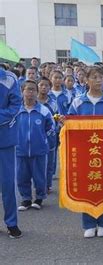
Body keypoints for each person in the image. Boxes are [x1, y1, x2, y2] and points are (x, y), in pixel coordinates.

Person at [68, 66, 103, 238]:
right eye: (95, 77)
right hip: (85, 152)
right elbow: (70, 123)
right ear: (86, 80)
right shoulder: (77, 102)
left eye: (101, 77)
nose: (99, 80)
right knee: (87, 185)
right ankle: (89, 223)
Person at [16, 80, 55, 211]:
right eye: (28, 89)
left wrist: (45, 141)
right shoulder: (16, 110)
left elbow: (51, 128)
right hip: (20, 150)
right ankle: (26, 199)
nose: (30, 93)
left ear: (37, 93)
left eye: (33, 90)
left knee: (39, 176)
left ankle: (39, 198)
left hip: (39, 150)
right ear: (22, 92)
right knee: (22, 176)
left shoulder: (43, 111)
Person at [0, 67, 22, 238]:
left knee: (7, 184)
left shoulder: (9, 78)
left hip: (4, 139)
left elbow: (15, 106)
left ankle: (11, 223)